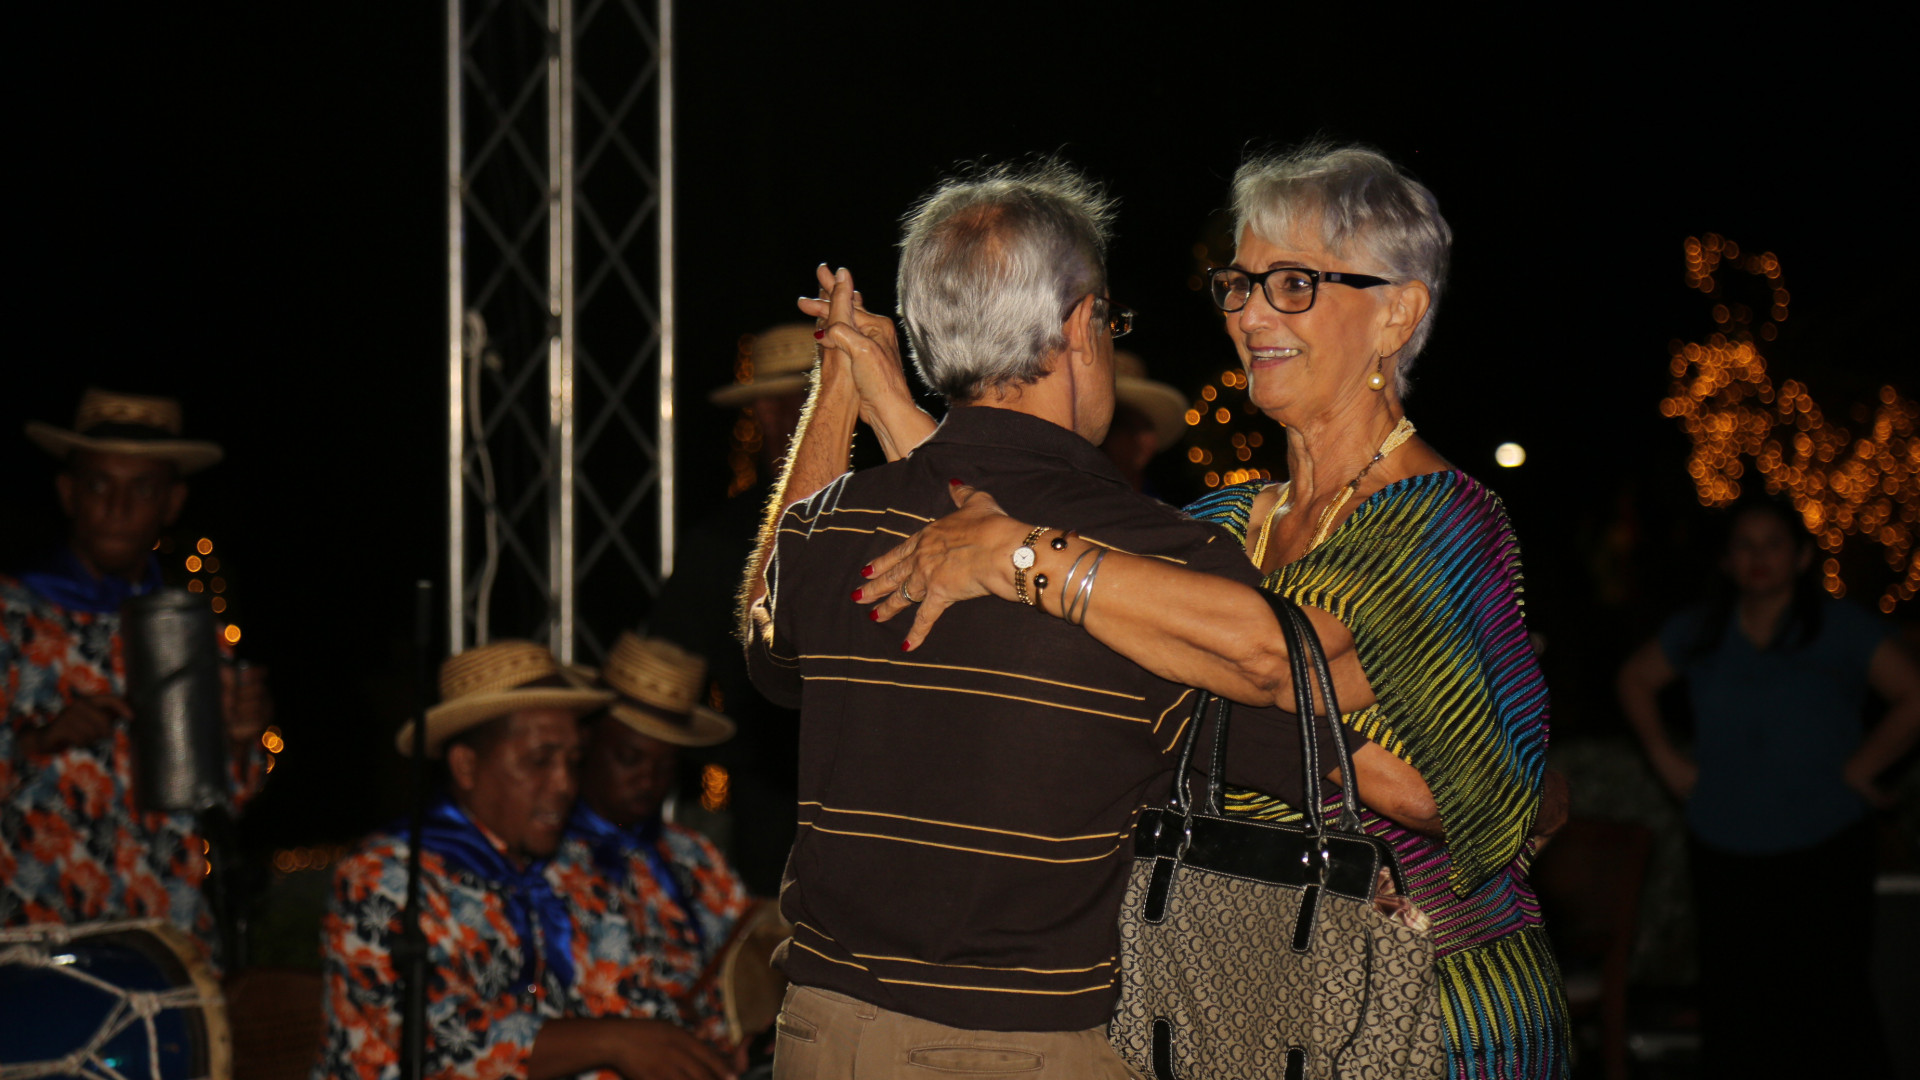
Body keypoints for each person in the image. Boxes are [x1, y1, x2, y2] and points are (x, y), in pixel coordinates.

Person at [845, 144, 1569, 1079]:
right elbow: (1035, 569)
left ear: (1398, 311)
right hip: (1238, 998)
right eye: (1240, 284)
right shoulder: (1221, 520)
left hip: (1425, 1010)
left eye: (1295, 284)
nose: (1251, 315)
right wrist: (894, 410)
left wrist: (1029, 560)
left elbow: (1279, 662)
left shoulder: (1442, 518)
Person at [744, 161, 1317, 1078]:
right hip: (1020, 1046)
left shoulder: (833, 525)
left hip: (819, 1036)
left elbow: (769, 647)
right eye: (1109, 322)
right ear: (1082, 326)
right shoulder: (1161, 559)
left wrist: (838, 387)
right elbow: (1307, 753)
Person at [315, 640, 736, 1080]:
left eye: (573, 761)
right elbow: (443, 1043)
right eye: (539, 761)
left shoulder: (571, 865)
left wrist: (710, 1052)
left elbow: (627, 1000)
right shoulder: (383, 878)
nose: (565, 784)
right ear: (466, 766)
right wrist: (615, 1041)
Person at [1617, 498, 1919, 1078]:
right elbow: (1634, 678)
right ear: (1727, 560)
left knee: (1831, 1001)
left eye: (1773, 543)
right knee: (1738, 1004)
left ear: (1801, 556)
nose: (1758, 557)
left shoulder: (1841, 627)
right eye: (1744, 545)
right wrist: (1664, 758)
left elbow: (1914, 696)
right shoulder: (1703, 629)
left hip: (1823, 841)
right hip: (1725, 841)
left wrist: (1863, 768)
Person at [1, 388, 269, 967]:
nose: (118, 507)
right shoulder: (13, 615)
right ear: (68, 493)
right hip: (35, 940)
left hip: (167, 935)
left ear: (172, 503)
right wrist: (38, 741)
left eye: (143, 489)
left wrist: (242, 740)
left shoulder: (193, 630)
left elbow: (225, 798)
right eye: (99, 485)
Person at [648, 324, 813, 898]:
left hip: (888, 800)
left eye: (807, 398)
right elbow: (663, 668)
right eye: (774, 402)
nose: (790, 416)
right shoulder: (720, 542)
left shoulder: (893, 517)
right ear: (758, 413)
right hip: (770, 809)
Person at [559, 632, 752, 1053]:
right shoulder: (538, 852)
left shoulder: (696, 856)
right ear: (586, 743)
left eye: (666, 765)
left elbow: (744, 975)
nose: (648, 778)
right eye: (629, 758)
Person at [1099, 350, 1188, 498]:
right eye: (1126, 425)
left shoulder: (1159, 506)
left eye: (1148, 427)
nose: (1144, 439)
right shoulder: (1073, 498)